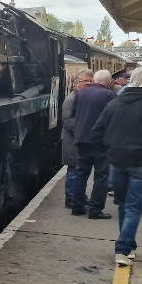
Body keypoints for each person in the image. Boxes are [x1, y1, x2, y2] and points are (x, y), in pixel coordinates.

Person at [90, 66, 142, 266]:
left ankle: (129, 246)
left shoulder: (115, 104)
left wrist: (110, 152)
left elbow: (96, 133)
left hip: (117, 161)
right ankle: (123, 248)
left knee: (123, 204)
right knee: (134, 206)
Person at [70, 69, 116, 219]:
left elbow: (75, 113)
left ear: (95, 80)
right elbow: (112, 118)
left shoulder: (80, 93)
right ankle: (95, 210)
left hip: (81, 139)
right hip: (101, 141)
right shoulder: (110, 95)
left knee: (81, 173)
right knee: (101, 176)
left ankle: (77, 206)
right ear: (109, 82)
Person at [62, 70, 94, 208]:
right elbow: (69, 121)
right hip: (73, 141)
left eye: (91, 80)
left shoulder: (84, 97)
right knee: (74, 170)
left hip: (81, 141)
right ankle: (70, 198)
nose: (89, 83)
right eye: (85, 81)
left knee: (79, 170)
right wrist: (86, 133)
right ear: (77, 84)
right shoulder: (71, 99)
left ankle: (79, 196)